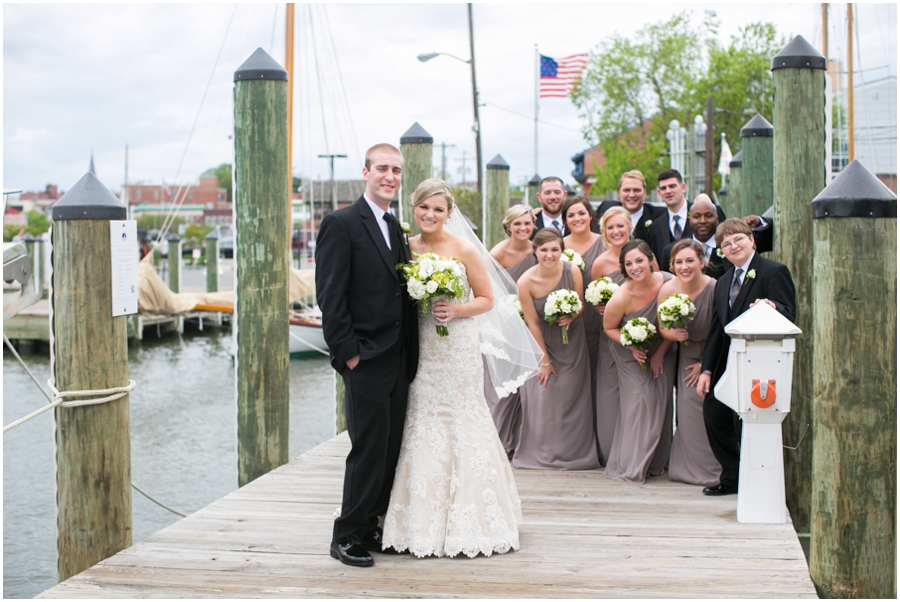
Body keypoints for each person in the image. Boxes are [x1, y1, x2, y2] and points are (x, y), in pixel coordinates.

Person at [383, 178, 533, 558]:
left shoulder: (465, 248)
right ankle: (416, 519)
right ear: (413, 208)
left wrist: (457, 309)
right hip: (422, 348)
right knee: (422, 418)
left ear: (449, 213)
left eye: (438, 209)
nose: (430, 215)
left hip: (458, 346)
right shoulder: (405, 247)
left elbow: (487, 299)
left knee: (464, 417)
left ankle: (476, 518)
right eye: (423, 207)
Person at [316, 143, 419, 568]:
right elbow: (331, 297)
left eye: (396, 170)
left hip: (398, 359)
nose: (389, 176)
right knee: (367, 448)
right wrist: (350, 355)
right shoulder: (341, 224)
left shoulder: (394, 225)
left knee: (390, 447)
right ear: (365, 172)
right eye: (382, 168)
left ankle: (373, 524)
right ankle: (346, 535)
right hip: (366, 359)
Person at [695, 218, 796, 496]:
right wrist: (706, 370)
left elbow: (790, 313)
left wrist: (771, 306)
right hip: (729, 362)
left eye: (738, 239)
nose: (732, 246)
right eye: (726, 244)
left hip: (762, 362)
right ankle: (732, 476)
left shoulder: (774, 272)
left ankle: (754, 481)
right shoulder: (723, 281)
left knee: (749, 420)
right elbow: (718, 328)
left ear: (752, 240)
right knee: (714, 413)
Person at [514, 228, 600, 470]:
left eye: (555, 249)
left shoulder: (572, 270)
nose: (549, 255)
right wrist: (544, 360)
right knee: (545, 396)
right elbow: (531, 322)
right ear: (535, 251)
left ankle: (574, 453)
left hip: (571, 341)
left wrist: (572, 315)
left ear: (562, 250)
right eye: (544, 250)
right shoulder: (526, 282)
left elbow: (581, 305)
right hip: (541, 342)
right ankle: (544, 452)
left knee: (572, 397)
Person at [602, 239, 676, 483]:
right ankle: (634, 462)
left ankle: (656, 462)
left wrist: (661, 353)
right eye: (628, 263)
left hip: (663, 347)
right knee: (640, 404)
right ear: (623, 268)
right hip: (630, 353)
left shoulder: (668, 282)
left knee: (662, 401)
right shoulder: (622, 296)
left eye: (639, 260)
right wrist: (631, 344)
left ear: (651, 259)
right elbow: (609, 327)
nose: (635, 266)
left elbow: (674, 322)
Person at [657, 239, 720, 487]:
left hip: (713, 356)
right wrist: (675, 335)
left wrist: (706, 364)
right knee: (687, 412)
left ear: (702, 262)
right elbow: (663, 328)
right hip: (686, 356)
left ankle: (716, 469)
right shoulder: (668, 290)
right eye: (679, 262)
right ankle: (689, 468)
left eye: (690, 260)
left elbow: (722, 330)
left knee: (710, 413)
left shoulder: (715, 288)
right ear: (672, 266)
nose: (685, 266)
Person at [486, 204, 538, 456]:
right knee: (505, 384)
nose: (523, 228)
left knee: (526, 384)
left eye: (527, 223)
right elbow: (486, 288)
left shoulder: (537, 250)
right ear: (508, 226)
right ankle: (498, 442)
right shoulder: (498, 252)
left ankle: (519, 441)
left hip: (532, 323)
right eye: (517, 223)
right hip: (504, 324)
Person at [589, 206, 631, 465]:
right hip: (611, 336)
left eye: (620, 226)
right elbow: (597, 301)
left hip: (639, 333)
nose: (616, 231)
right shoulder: (600, 263)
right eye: (610, 227)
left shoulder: (642, 256)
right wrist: (600, 307)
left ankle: (635, 451)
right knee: (610, 395)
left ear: (629, 227)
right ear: (604, 232)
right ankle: (611, 452)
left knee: (636, 396)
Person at [562, 196, 605, 414]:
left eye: (581, 213)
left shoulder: (605, 242)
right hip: (570, 321)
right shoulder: (557, 247)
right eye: (571, 215)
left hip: (600, 317)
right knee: (574, 378)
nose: (577, 218)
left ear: (591, 215)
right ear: (565, 220)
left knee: (600, 375)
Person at [647, 169, 726, 264]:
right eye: (663, 188)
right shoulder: (656, 226)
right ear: (659, 193)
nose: (668, 191)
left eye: (672, 186)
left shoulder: (709, 211)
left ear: (683, 187)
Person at [659, 195, 732, 279]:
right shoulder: (670, 251)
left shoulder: (731, 247)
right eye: (697, 217)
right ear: (689, 220)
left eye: (708, 216)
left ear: (717, 219)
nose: (703, 221)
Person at [595, 170, 663, 243]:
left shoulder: (658, 216)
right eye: (627, 190)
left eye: (636, 190)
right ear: (619, 193)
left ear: (645, 192)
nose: (631, 195)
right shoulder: (605, 208)